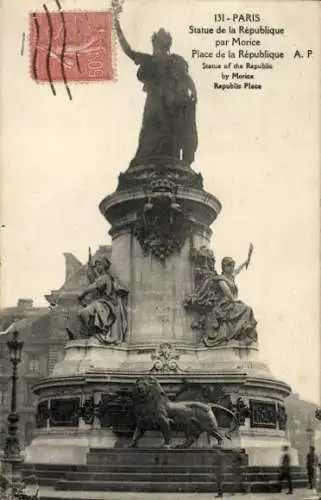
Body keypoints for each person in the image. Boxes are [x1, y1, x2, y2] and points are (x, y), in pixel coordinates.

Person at [112, 0, 198, 166]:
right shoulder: (162, 60)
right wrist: (116, 25)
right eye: (158, 41)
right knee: (154, 131)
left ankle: (163, 159)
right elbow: (128, 50)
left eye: (161, 42)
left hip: (170, 103)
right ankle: (157, 159)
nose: (158, 45)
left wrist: (193, 94)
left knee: (164, 133)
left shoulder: (174, 61)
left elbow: (188, 80)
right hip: (162, 102)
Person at [202, 244, 258, 347]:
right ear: (224, 267)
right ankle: (236, 335)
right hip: (224, 305)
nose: (232, 268)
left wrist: (248, 257)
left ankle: (244, 334)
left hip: (232, 303)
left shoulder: (231, 276)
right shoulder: (221, 279)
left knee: (247, 309)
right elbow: (228, 294)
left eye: (232, 266)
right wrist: (235, 301)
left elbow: (240, 268)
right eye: (229, 266)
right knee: (247, 309)